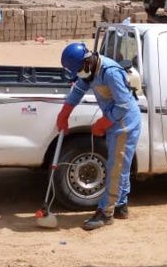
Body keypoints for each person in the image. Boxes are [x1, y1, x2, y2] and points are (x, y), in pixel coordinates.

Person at [55, 42, 142, 231]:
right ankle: (120, 205)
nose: (78, 74)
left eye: (78, 70)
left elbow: (124, 105)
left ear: (87, 61)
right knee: (120, 166)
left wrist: (103, 122)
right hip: (115, 122)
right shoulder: (89, 69)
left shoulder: (110, 72)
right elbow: (78, 89)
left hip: (125, 124)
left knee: (115, 168)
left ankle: (105, 212)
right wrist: (65, 112)